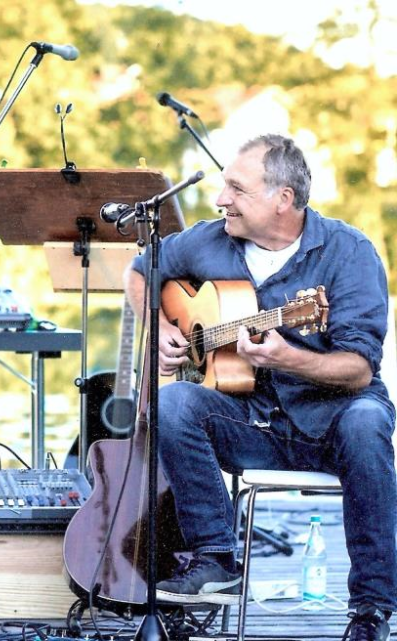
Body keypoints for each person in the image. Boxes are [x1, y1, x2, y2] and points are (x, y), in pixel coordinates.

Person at [123, 134, 395, 641]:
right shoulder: (209, 239)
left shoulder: (348, 252)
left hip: (331, 423)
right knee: (176, 399)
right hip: (250, 421)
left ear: (282, 199)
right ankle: (216, 557)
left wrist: (289, 358)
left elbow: (359, 369)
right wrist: (159, 326)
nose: (220, 198)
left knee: (368, 419)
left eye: (236, 188)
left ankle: (372, 609)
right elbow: (140, 271)